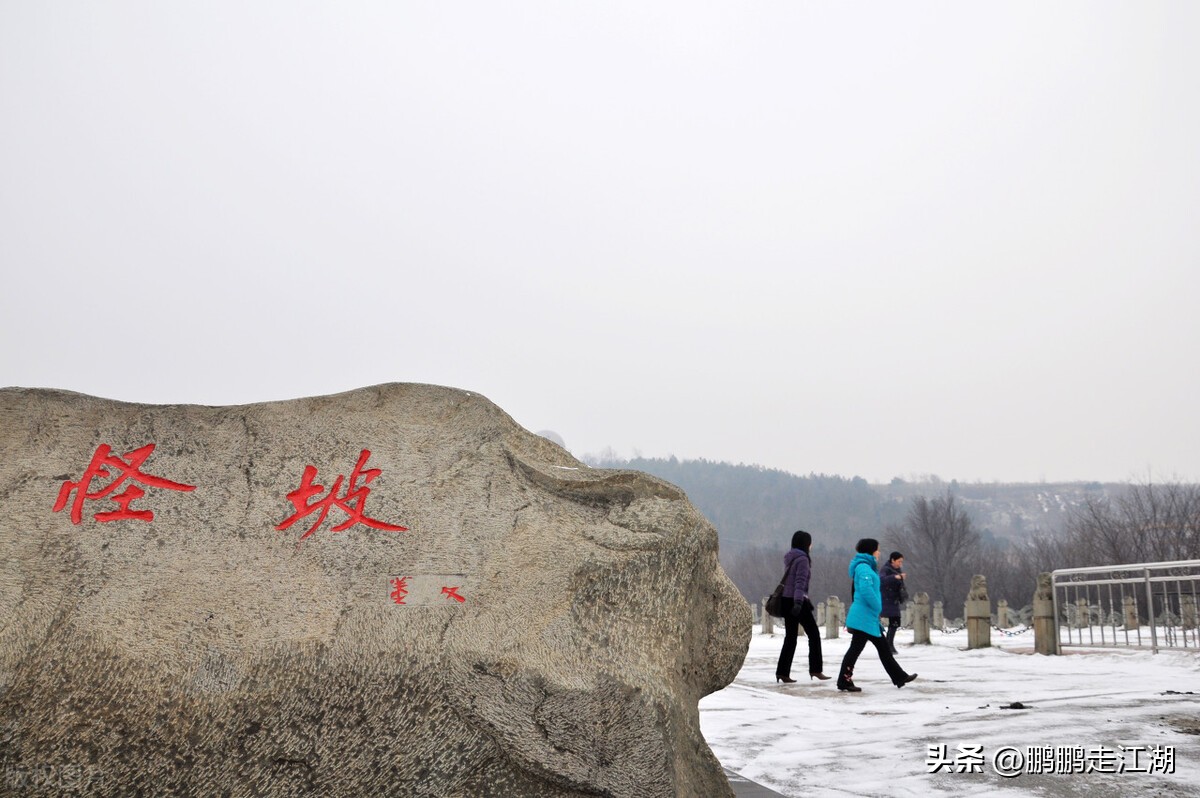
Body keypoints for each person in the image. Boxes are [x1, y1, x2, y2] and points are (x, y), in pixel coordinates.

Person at [837, 538, 917, 692]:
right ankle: (844, 681)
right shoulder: (864, 568)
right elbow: (866, 590)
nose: (879, 553)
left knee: (883, 648)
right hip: (863, 617)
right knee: (856, 649)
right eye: (878, 549)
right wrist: (877, 606)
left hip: (868, 617)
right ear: (871, 551)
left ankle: (899, 677)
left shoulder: (866, 567)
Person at [775, 530, 830, 683]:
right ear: (806, 544)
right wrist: (799, 602)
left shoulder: (790, 557)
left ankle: (782, 672)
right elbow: (799, 582)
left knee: (790, 637)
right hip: (797, 600)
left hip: (786, 599)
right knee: (814, 634)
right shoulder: (803, 559)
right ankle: (816, 669)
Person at [880, 551, 907, 655]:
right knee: (894, 621)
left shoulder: (897, 570)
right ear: (893, 560)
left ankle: (889, 644)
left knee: (895, 622)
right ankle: (888, 645)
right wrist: (895, 577)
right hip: (887, 599)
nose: (900, 564)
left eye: (901, 562)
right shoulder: (886, 569)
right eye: (899, 561)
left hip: (894, 599)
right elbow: (881, 580)